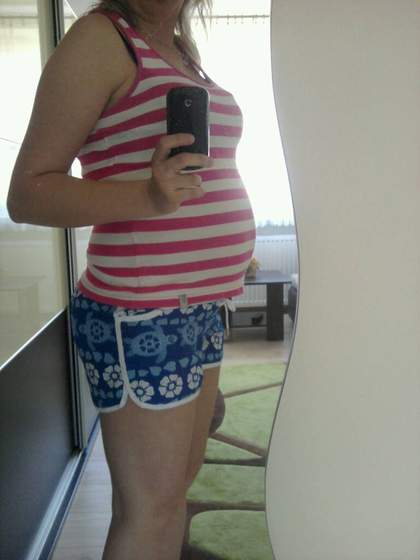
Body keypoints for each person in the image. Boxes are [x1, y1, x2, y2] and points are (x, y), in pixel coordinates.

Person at [7, 0, 256, 558]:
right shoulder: (101, 39)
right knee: (151, 509)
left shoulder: (180, 50)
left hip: (197, 305)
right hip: (141, 312)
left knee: (171, 494)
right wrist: (148, 195)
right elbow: (27, 194)